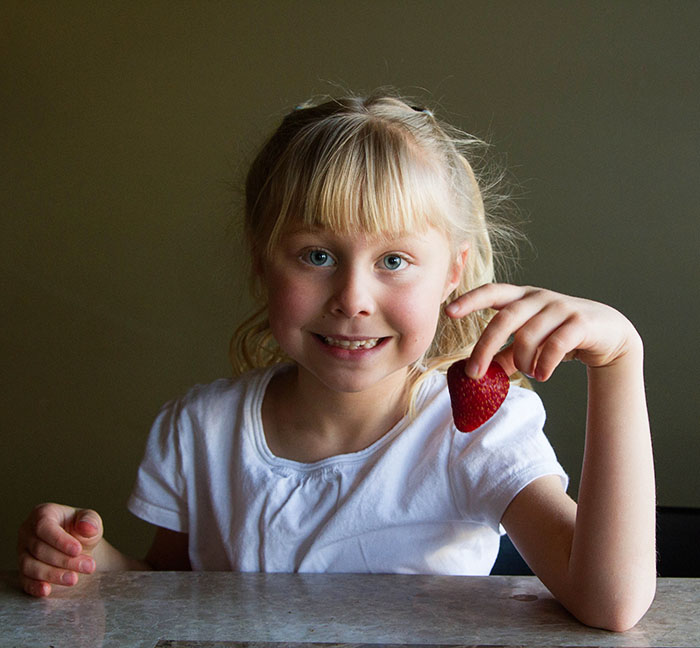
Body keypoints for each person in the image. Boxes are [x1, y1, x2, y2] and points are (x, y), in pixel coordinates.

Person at [16, 92, 655, 631]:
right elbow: (172, 588)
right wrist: (95, 562)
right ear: (263, 260)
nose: (352, 299)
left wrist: (619, 362)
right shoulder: (199, 430)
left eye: (394, 261)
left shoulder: (472, 434)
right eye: (317, 255)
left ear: (451, 274)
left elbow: (610, 601)